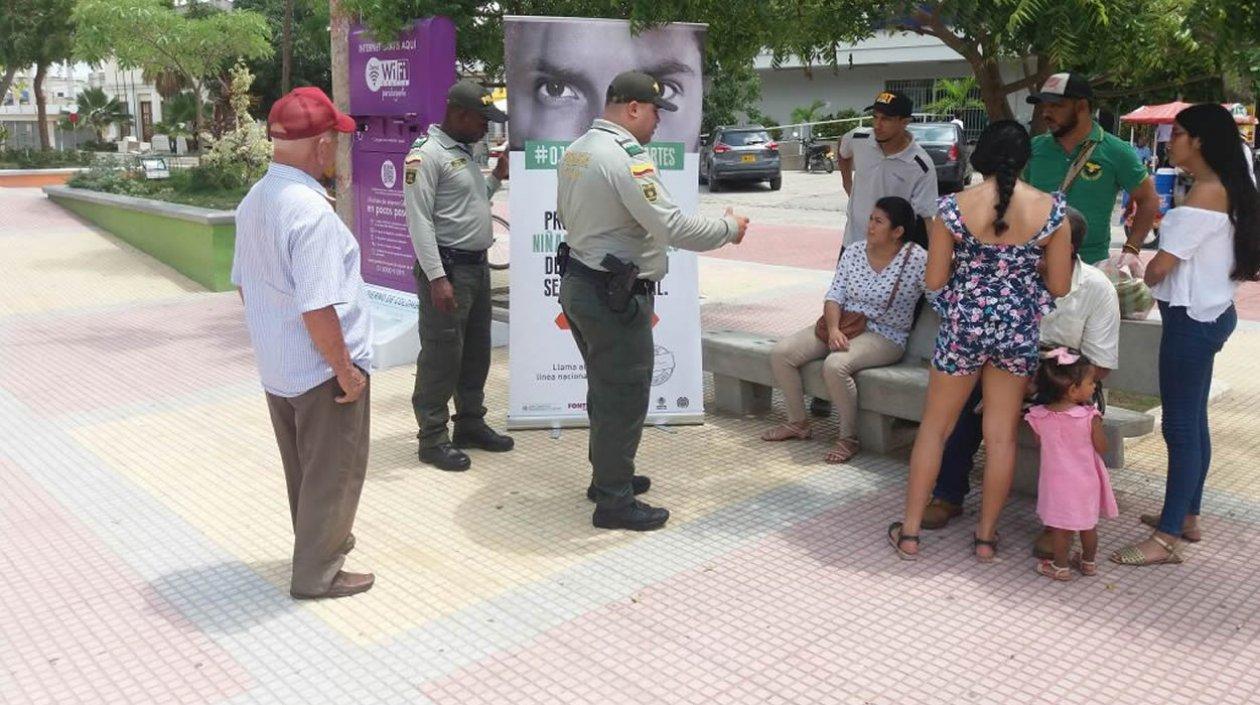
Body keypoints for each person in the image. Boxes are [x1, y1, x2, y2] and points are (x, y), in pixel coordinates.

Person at [556, 71, 749, 531]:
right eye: (656, 111)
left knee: (605, 389)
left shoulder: (577, 150)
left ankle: (607, 478)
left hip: (582, 284)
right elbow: (674, 228)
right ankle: (614, 502)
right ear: (634, 109)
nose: (658, 122)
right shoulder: (625, 159)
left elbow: (566, 214)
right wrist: (728, 228)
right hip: (612, 296)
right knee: (623, 395)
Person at [887, 120, 1073, 562]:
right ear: (1026, 159)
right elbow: (1062, 286)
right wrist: (1027, 278)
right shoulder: (1053, 211)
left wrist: (970, 285)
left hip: (962, 328)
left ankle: (910, 533)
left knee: (935, 428)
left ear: (981, 156)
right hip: (1016, 330)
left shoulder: (950, 208)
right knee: (1002, 436)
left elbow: (933, 280)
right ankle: (986, 539)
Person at [231, 87, 374, 599]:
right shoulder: (309, 213)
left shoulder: (255, 201)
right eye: (336, 139)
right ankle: (318, 574)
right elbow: (318, 306)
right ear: (320, 145)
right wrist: (346, 370)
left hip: (279, 369)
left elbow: (245, 285)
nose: (338, 149)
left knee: (306, 474)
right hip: (320, 374)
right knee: (334, 473)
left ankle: (316, 549)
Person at [920, 206, 1121, 551]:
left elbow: (1099, 365)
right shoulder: (1014, 275)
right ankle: (948, 494)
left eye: (1041, 244)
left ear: (1067, 247)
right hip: (1007, 368)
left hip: (1066, 381)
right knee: (964, 403)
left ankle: (1060, 524)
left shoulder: (1096, 289)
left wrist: (1041, 381)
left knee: (1068, 425)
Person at [1111, 103, 1260, 566]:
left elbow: (1159, 269)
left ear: (1198, 140)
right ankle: (1187, 515)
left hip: (1192, 321)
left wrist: (1134, 271)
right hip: (1209, 314)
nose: (1168, 142)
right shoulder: (1225, 187)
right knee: (1192, 421)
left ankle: (1167, 536)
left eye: (1176, 134)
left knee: (1179, 427)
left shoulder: (1205, 196)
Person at [760, 196, 929, 463]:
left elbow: (940, 296)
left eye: (879, 221)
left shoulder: (917, 259)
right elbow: (834, 295)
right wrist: (835, 328)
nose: (870, 225)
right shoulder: (853, 251)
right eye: (871, 219)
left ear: (898, 232)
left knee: (835, 365)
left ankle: (848, 437)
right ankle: (798, 423)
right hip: (844, 324)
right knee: (782, 353)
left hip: (885, 334)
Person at [404, 81, 514, 472]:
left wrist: (496, 178)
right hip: (448, 270)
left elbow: (469, 202)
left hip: (475, 268)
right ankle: (432, 438)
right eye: (483, 120)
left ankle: (469, 422)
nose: (487, 127)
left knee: (474, 352)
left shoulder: (463, 152)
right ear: (460, 114)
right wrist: (436, 278)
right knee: (441, 354)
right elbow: (418, 222)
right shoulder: (426, 155)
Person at [503, 19, 704, 152]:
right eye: (556, 89)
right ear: (633, 109)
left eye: (663, 88)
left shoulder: (571, 166)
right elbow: (662, 218)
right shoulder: (630, 163)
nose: (596, 116)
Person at [1024, 72, 1160, 266]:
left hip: (1090, 265)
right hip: (1036, 264)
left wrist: (1131, 248)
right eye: (1045, 105)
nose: (1046, 113)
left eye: (1056, 106)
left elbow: (1149, 199)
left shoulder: (1116, 151)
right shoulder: (1033, 148)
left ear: (1081, 106)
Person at [1026, 348, 1118, 581]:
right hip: (1086, 481)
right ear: (1073, 390)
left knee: (1060, 527)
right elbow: (1102, 447)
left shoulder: (1038, 416)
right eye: (1091, 382)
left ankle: (1060, 566)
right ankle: (1088, 563)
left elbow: (1041, 443)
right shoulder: (1089, 417)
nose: (1095, 387)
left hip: (1056, 482)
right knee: (1088, 525)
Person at [837, 91, 939, 247]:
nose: (877, 125)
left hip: (892, 253)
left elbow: (927, 217)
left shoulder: (920, 165)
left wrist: (937, 259)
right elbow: (843, 149)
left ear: (904, 122)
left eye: (886, 119)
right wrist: (847, 183)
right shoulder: (858, 138)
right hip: (852, 243)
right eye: (875, 117)